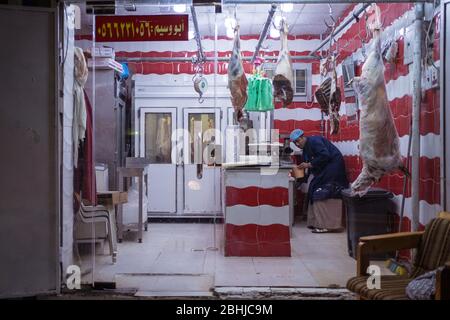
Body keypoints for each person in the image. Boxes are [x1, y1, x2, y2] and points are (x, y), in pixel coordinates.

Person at [290, 129, 349, 233]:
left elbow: (325, 155)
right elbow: (307, 168)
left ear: (303, 137)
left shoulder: (314, 141)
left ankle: (327, 225)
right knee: (313, 186)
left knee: (321, 190)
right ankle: (315, 222)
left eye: (298, 141)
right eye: (295, 143)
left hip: (334, 168)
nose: (298, 144)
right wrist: (298, 181)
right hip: (326, 170)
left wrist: (308, 165)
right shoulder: (306, 150)